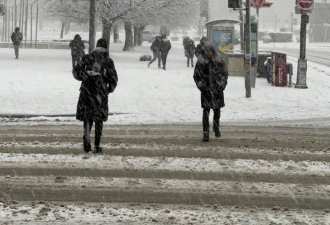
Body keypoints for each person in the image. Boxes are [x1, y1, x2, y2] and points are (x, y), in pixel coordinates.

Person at [72, 38, 118, 153]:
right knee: (99, 119)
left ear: (96, 45)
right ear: (106, 47)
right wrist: (109, 89)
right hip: (100, 94)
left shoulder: (87, 58)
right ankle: (97, 145)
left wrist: (85, 76)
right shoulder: (108, 61)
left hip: (86, 92)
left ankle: (86, 142)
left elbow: (76, 71)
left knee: (87, 118)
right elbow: (113, 78)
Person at [193, 42, 228, 142]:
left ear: (212, 51)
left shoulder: (219, 61)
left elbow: (224, 74)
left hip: (217, 89)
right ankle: (205, 133)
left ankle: (216, 128)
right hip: (206, 90)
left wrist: (222, 85)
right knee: (206, 112)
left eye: (209, 51)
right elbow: (196, 76)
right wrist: (201, 85)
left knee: (217, 111)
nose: (207, 53)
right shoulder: (200, 62)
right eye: (206, 51)